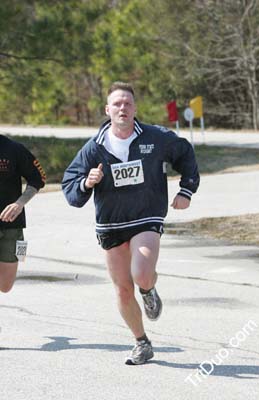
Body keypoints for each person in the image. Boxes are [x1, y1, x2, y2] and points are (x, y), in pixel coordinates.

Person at [62, 82, 200, 365]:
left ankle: (148, 289)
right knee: (123, 289)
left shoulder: (157, 137)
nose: (122, 108)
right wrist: (86, 183)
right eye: (117, 104)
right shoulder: (93, 148)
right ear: (107, 110)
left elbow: (185, 153)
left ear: (135, 108)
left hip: (146, 217)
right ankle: (142, 342)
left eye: (127, 103)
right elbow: (70, 189)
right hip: (111, 225)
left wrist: (186, 190)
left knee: (141, 274)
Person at [0, 135, 46, 293]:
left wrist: (20, 203)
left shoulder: (14, 149)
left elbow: (38, 178)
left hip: (13, 226)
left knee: (6, 286)